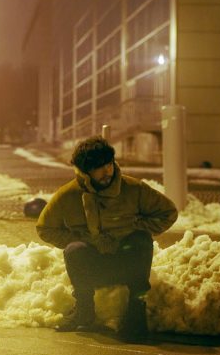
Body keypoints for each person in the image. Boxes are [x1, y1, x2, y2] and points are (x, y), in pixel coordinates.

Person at [36, 135, 178, 339]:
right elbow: (44, 227)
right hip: (94, 264)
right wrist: (80, 238)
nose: (108, 171)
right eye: (99, 168)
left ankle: (136, 313)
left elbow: (168, 212)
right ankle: (84, 310)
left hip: (127, 261)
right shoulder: (68, 195)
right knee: (74, 250)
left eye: (109, 164)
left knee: (141, 241)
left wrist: (135, 225)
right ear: (85, 172)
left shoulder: (133, 189)